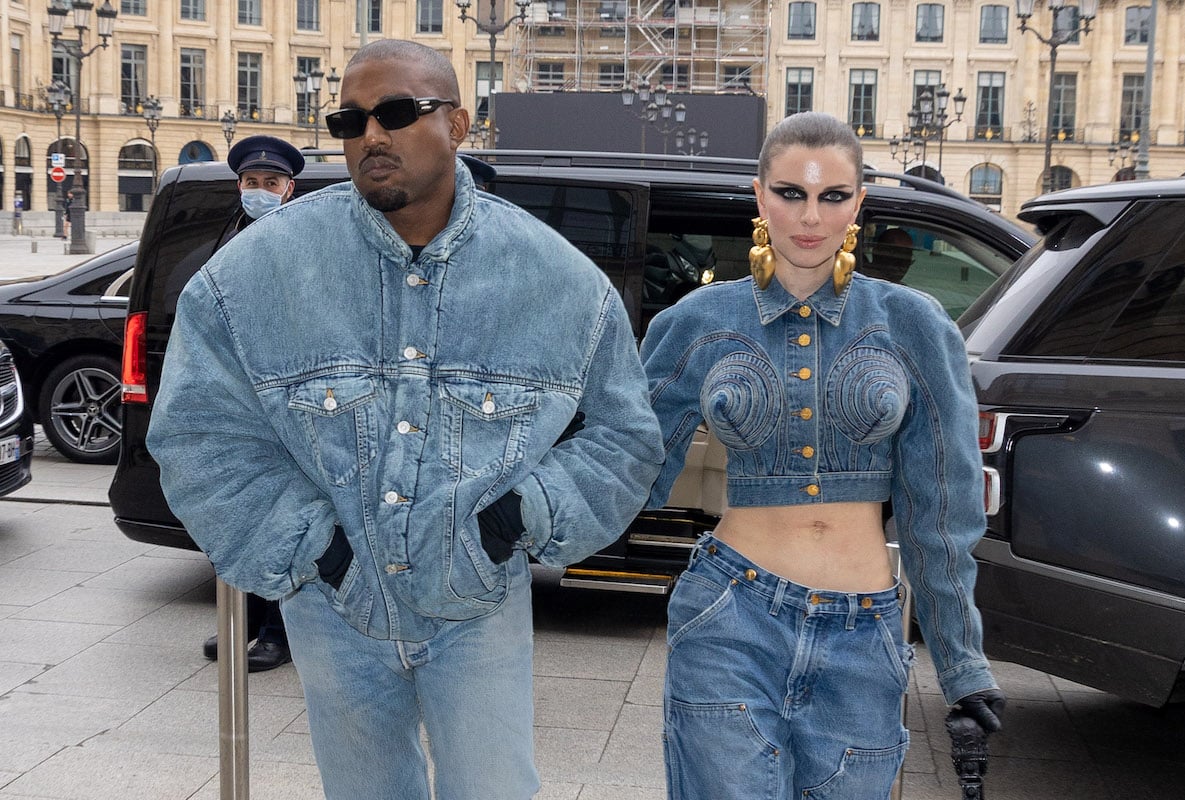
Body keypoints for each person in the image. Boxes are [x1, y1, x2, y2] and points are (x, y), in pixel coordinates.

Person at [146, 39, 662, 799]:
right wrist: (319, 554)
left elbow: (625, 439)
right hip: (332, 612)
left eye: (396, 112)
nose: (371, 137)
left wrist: (511, 522)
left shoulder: (559, 281)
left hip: (479, 610)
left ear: (458, 124)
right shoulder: (256, 275)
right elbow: (199, 435)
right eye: (350, 120)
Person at [641, 111, 1005, 799]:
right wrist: (523, 521)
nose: (810, 216)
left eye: (833, 196)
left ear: (858, 204)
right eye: (791, 193)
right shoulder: (696, 322)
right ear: (760, 197)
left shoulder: (914, 324)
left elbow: (943, 508)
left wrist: (962, 663)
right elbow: (623, 464)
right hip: (729, 616)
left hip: (863, 632)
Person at [197, 134, 307, 673]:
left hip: (285, 405)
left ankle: (277, 630)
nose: (259, 190)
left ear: (290, 189)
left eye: (271, 183)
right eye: (251, 183)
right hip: (235, 406)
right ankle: (237, 617)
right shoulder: (229, 240)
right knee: (238, 514)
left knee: (283, 519)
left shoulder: (302, 243)